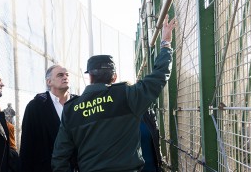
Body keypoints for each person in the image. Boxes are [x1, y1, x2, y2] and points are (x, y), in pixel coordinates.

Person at [51, 15, 176, 171]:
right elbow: (158, 76)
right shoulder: (127, 95)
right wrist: (165, 44)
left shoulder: (71, 109)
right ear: (114, 77)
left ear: (90, 76)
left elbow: (59, 158)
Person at [20, 64, 77, 172]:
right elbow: (27, 144)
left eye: (67, 75)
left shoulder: (78, 104)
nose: (65, 77)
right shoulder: (35, 106)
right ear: (49, 82)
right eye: (60, 75)